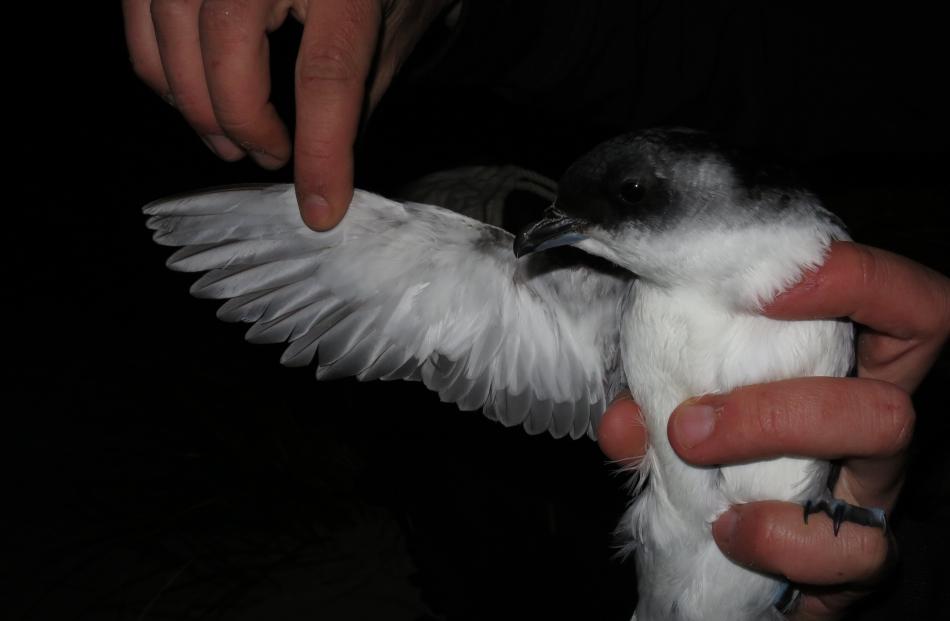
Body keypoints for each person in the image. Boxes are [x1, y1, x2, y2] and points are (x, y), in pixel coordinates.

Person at [121, 1, 950, 618]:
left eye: (615, 205)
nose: (560, 233)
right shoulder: (639, 294)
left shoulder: (813, 252)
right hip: (675, 563)